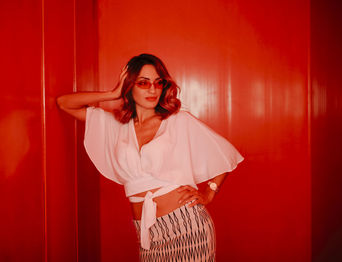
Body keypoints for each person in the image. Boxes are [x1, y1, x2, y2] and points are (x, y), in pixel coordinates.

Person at [57, 53, 244, 261]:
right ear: (130, 85)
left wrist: (209, 193)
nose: (153, 89)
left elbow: (225, 154)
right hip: (147, 233)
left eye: (158, 82)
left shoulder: (178, 121)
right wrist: (112, 93)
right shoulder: (115, 126)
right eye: (143, 83)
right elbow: (64, 103)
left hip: (187, 226)